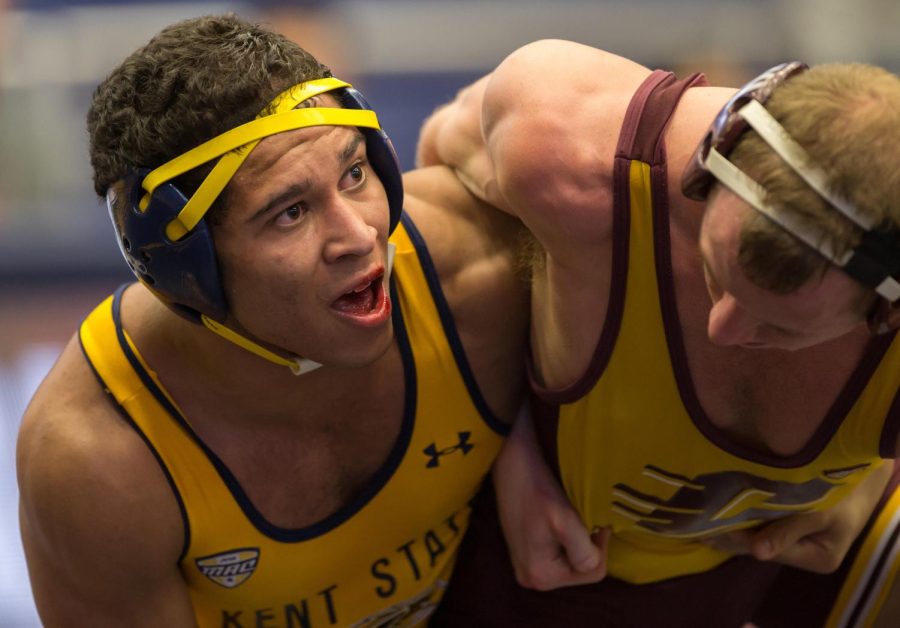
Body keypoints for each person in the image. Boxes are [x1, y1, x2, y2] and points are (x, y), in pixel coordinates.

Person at [15, 14, 530, 626]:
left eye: (355, 174)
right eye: (290, 213)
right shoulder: (101, 459)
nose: (359, 234)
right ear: (189, 271)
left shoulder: (482, 277)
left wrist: (532, 436)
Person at [417, 39, 900, 626]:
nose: (724, 329)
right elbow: (440, 210)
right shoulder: (571, 147)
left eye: (778, 324)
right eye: (715, 273)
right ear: (714, 166)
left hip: (779, 571)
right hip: (547, 561)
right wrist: (503, 437)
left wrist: (870, 472)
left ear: (885, 312)